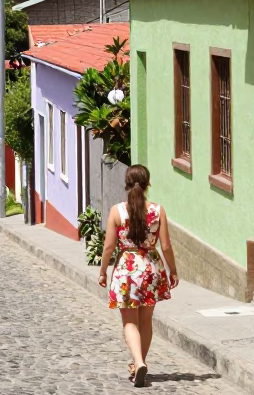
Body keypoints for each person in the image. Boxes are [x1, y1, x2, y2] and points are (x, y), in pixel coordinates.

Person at [97, 164, 178, 388]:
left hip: (126, 269)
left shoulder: (117, 211)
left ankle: (138, 361)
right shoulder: (157, 210)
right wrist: (173, 270)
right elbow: (167, 246)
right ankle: (139, 363)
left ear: (126, 183)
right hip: (151, 268)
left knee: (129, 322)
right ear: (147, 183)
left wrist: (103, 270)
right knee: (146, 321)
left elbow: (109, 247)